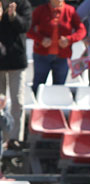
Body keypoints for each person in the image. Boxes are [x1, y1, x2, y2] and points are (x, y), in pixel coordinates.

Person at [28, 0, 86, 96]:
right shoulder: (40, 10)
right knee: (38, 86)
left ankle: (55, 109)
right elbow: (28, 28)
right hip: (42, 55)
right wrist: (41, 39)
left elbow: (82, 30)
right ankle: (38, 108)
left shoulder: (70, 11)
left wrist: (69, 39)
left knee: (59, 88)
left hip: (62, 56)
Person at [0, 0, 30, 147]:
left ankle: (15, 138)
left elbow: (25, 26)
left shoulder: (23, 4)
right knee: (0, 102)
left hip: (16, 61)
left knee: (17, 101)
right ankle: (2, 136)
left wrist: (13, 16)